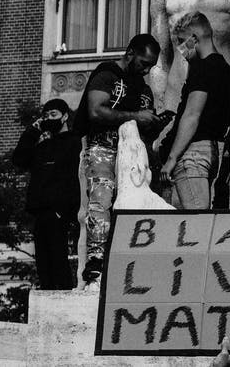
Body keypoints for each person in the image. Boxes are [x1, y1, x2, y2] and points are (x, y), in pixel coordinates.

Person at [73, 34, 162, 286]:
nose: (146, 69)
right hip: (102, 146)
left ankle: (128, 257)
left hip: (131, 153)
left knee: (131, 203)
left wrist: (153, 123)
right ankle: (95, 263)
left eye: (151, 65)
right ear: (130, 53)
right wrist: (135, 116)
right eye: (144, 62)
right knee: (100, 200)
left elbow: (144, 125)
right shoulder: (108, 74)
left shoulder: (143, 88)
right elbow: (95, 110)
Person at [158, 12, 230, 210]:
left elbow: (192, 115)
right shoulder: (226, 69)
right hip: (211, 151)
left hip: (191, 153)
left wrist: (172, 158)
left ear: (194, 39)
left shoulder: (202, 68)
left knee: (195, 225)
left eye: (182, 42)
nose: (180, 49)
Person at [11, 99, 80, 289]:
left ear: (65, 116)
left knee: (59, 259)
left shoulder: (74, 142)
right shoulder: (43, 144)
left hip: (60, 211)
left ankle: (63, 299)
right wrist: (32, 131)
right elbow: (19, 160)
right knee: (44, 262)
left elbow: (74, 179)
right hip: (40, 210)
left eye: (54, 115)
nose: (49, 119)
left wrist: (66, 209)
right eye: (46, 115)